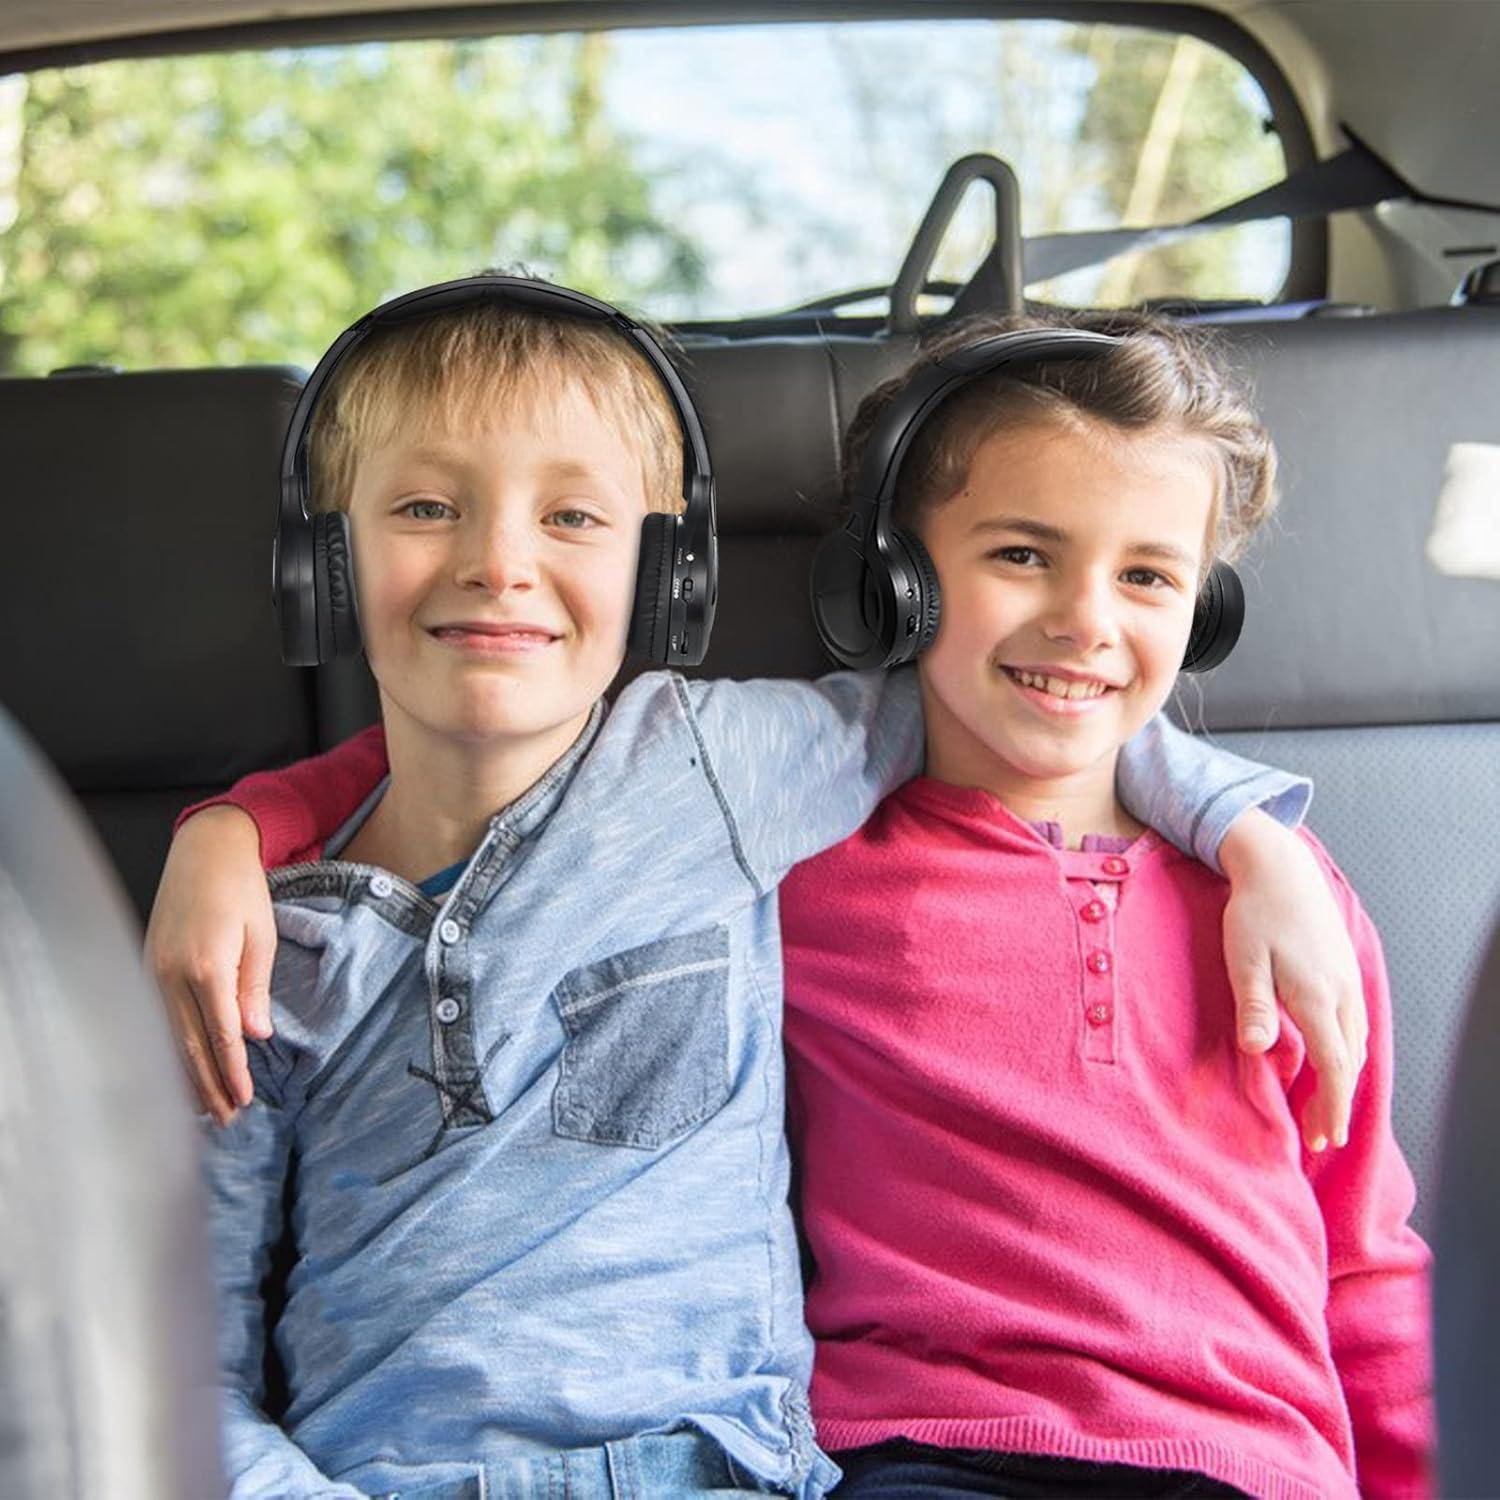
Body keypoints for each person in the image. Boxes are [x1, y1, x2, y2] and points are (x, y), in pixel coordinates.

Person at [151, 281, 1366, 1499]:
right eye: (425, 507)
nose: (498, 563)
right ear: (322, 563)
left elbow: (1042, 697)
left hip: (726, 1471)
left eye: (573, 515)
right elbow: (176, 1361)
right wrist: (236, 832)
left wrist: (1252, 836)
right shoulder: (251, 951)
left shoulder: (726, 770)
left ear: (671, 576)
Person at [778, 312, 1432, 1498]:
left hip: (1251, 1462)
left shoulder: (1285, 899)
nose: (1088, 622)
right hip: (929, 1449)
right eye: (1022, 555)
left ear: (1204, 612)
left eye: (1146, 576)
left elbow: (1363, 1259)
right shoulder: (803, 879)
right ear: (894, 582)